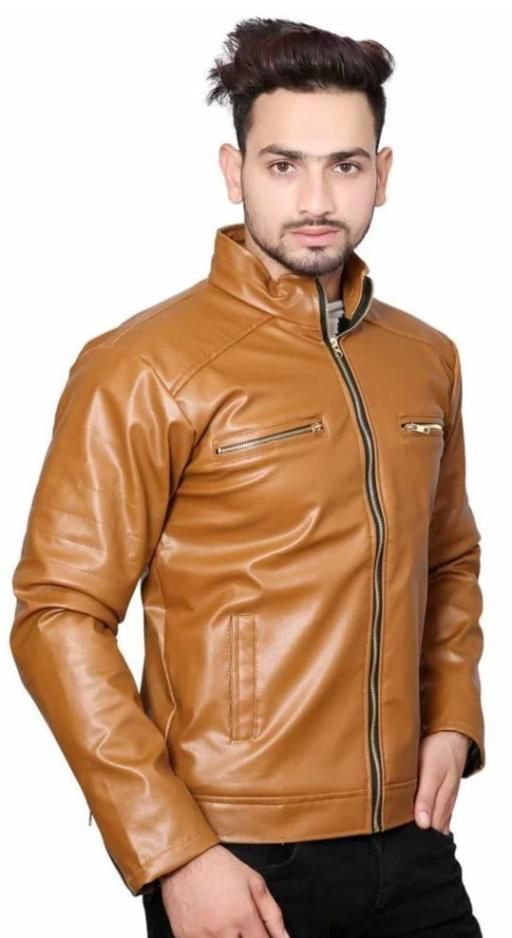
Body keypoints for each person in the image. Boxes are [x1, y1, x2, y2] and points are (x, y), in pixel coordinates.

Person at [9, 15, 486, 938]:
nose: (317, 197)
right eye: (283, 165)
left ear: (383, 174)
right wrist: (173, 850)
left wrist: (453, 716)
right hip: (239, 850)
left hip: (413, 839)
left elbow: (449, 559)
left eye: (345, 165)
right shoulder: (143, 365)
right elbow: (57, 615)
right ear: (234, 173)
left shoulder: (425, 357)